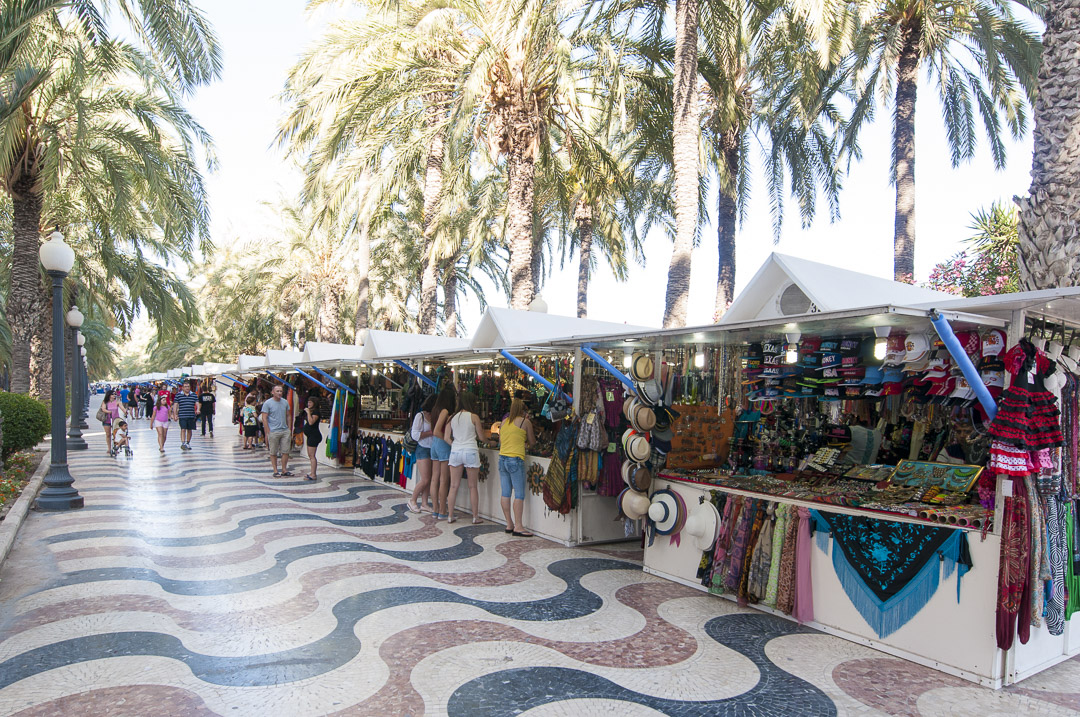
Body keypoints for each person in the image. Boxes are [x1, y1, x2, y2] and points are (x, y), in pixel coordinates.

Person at [444, 391, 490, 525]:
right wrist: (490, 442)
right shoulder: (474, 417)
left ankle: (450, 516)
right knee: (473, 486)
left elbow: (446, 437)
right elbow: (481, 437)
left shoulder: (452, 417)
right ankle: (475, 517)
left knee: (453, 486)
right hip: (470, 451)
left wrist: (456, 445)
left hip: (456, 452)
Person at [494, 398, 536, 536]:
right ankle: (518, 526)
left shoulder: (504, 422)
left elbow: (501, 440)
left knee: (505, 492)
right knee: (519, 494)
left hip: (502, 459)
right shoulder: (525, 422)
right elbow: (532, 442)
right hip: (515, 459)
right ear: (523, 410)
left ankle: (509, 524)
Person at [430, 385, 456, 520]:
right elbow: (437, 430)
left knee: (435, 478)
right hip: (442, 445)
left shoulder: (435, 409)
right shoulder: (445, 411)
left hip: (434, 444)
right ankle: (442, 510)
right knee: (444, 479)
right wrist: (449, 441)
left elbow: (432, 430)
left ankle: (435, 509)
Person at [406, 395, 436, 513]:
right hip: (422, 449)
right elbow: (415, 435)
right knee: (425, 479)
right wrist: (430, 432)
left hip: (432, 449)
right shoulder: (420, 416)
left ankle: (424, 503)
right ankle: (412, 500)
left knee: (429, 478)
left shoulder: (434, 416)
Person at [261, 384, 293, 477]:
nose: (279, 393)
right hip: (273, 431)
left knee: (285, 451)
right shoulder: (267, 403)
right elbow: (264, 418)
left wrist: (289, 428)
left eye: (281, 391)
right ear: (273, 392)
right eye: (277, 391)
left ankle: (284, 469)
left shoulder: (285, 402)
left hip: (285, 430)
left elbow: (288, 415)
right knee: (273, 451)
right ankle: (275, 470)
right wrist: (268, 431)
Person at [174, 382, 199, 451]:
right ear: (182, 388)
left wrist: (198, 409)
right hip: (182, 415)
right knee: (183, 429)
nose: (187, 388)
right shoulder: (178, 395)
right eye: (185, 386)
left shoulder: (193, 395)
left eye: (188, 386)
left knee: (189, 429)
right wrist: (175, 414)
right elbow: (175, 405)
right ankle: (183, 443)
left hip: (191, 415)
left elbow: (197, 402)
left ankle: (188, 442)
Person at [301, 397, 322, 481]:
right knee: (310, 455)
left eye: (310, 402)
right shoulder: (312, 412)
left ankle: (313, 474)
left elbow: (311, 422)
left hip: (314, 436)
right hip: (310, 436)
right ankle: (312, 472)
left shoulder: (316, 412)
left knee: (312, 456)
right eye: (308, 402)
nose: (308, 404)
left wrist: (308, 412)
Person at [100, 389, 126, 454]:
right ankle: (109, 448)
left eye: (115, 394)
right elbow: (103, 409)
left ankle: (115, 447)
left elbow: (122, 407)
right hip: (107, 419)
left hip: (115, 420)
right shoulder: (105, 402)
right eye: (112, 394)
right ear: (109, 395)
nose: (114, 395)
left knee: (115, 434)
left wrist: (125, 411)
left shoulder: (117, 402)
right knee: (108, 434)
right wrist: (109, 412)